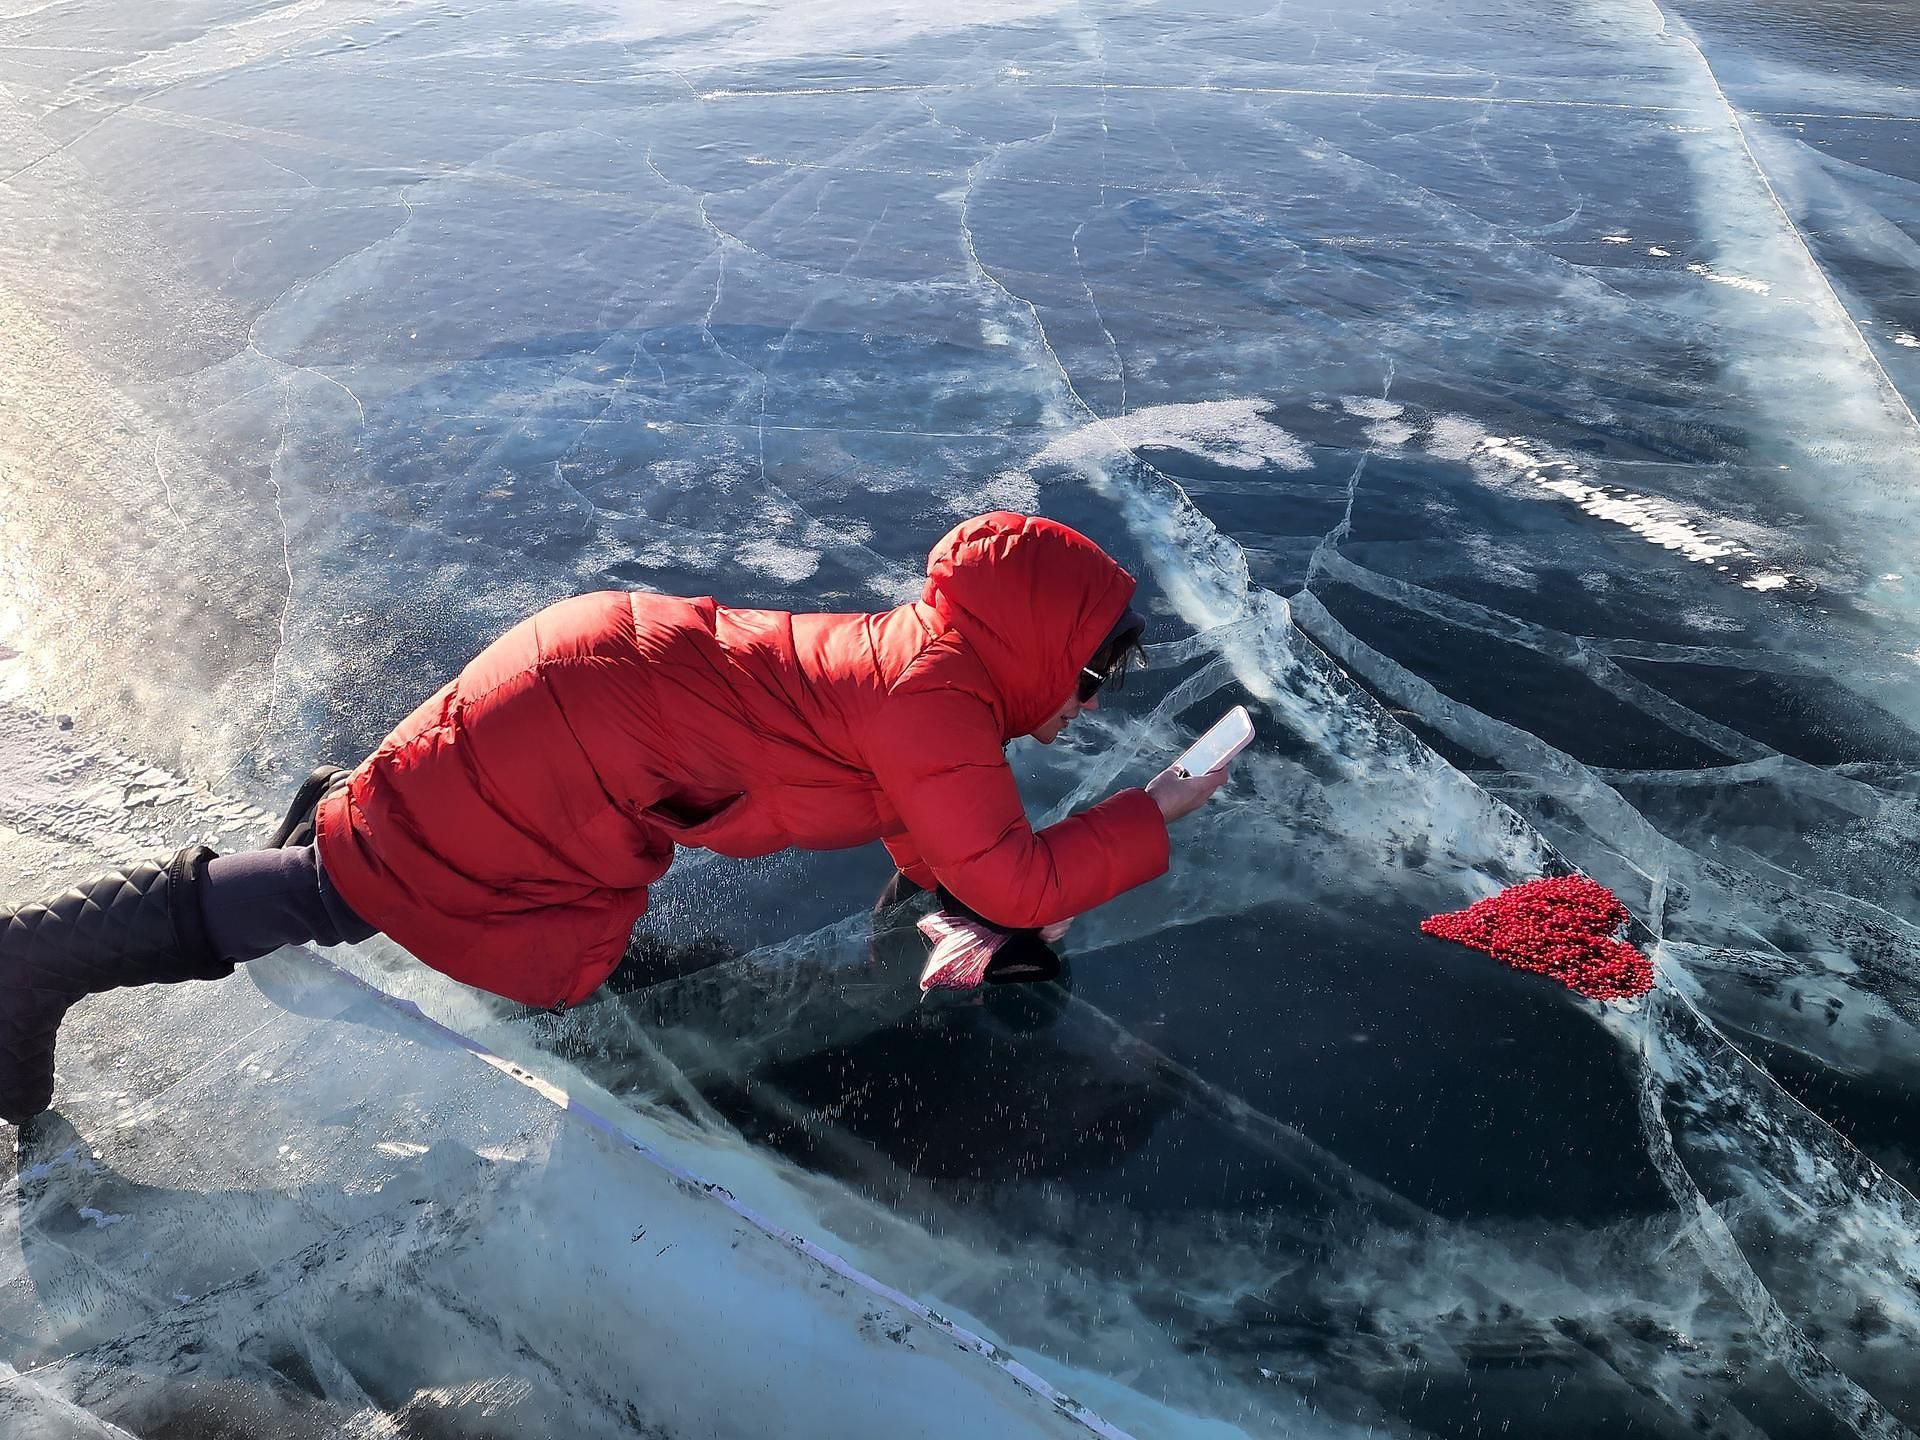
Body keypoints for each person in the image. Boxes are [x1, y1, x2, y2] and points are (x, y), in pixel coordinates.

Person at [0, 511, 1231, 1125]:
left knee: (415, 850)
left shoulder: (936, 670)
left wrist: (970, 909)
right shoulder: (935, 702)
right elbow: (1007, 871)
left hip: (595, 688)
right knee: (356, 887)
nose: (1093, 702)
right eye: (1095, 675)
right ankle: (37, 957)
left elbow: (935, 830)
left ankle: (348, 815)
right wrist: (1152, 813)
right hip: (578, 732)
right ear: (1037, 649)